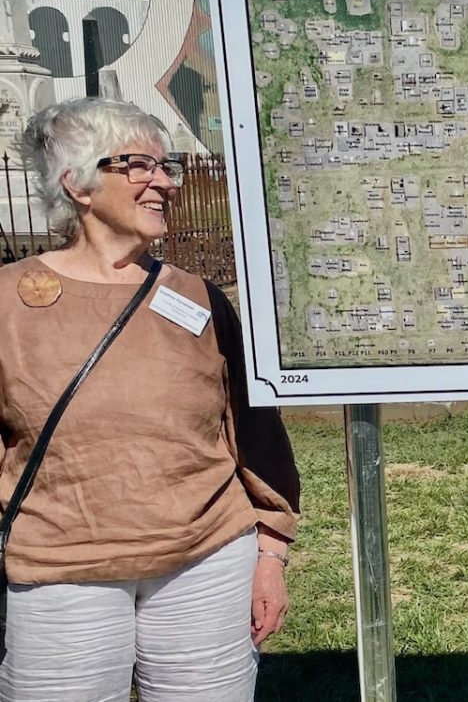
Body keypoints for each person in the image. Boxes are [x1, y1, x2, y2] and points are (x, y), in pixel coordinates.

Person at [0, 98, 300, 701]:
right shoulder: (7, 301)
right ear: (77, 184)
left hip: (206, 560)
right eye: (138, 165)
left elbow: (254, 435)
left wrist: (269, 553)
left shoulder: (201, 298)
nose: (163, 181)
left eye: (167, 168)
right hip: (58, 570)